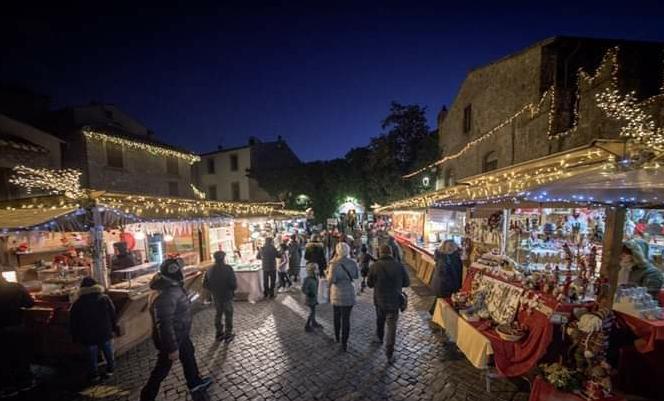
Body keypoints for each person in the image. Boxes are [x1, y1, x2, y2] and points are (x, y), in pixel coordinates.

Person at [140, 258, 212, 401]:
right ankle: (146, 396)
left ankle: (195, 383)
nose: (182, 272)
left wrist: (188, 302)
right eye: (180, 269)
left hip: (181, 333)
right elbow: (164, 323)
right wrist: (172, 348)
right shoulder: (167, 292)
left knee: (189, 356)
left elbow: (176, 309)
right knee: (162, 369)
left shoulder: (171, 286)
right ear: (175, 272)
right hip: (173, 338)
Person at [69, 277, 119, 382]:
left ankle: (94, 374)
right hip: (104, 330)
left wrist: (75, 336)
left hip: (88, 333)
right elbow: (112, 314)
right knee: (107, 350)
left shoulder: (77, 303)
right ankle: (111, 368)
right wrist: (114, 327)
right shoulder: (104, 298)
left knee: (92, 354)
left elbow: (74, 321)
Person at [367, 245, 410, 362]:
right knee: (392, 327)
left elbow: (369, 284)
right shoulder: (399, 266)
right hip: (394, 300)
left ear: (380, 253)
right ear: (391, 253)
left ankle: (380, 337)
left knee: (380, 320)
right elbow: (407, 283)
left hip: (379, 300)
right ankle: (389, 352)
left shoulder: (375, 266)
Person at [0, 274, 35, 396]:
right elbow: (30, 303)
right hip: (15, 326)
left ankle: (8, 386)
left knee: (4, 359)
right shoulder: (16, 287)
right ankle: (25, 382)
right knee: (20, 355)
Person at [326, 242, 359, 352]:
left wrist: (327, 275)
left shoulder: (333, 264)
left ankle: (337, 337)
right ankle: (344, 342)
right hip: (349, 293)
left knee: (336, 316)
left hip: (337, 293)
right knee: (346, 319)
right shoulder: (353, 263)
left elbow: (331, 280)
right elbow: (355, 276)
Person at [203, 251, 237, 342]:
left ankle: (219, 333)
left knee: (218, 314)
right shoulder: (228, 269)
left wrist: (213, 290)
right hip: (227, 295)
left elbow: (205, 284)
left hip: (216, 296)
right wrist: (232, 290)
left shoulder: (209, 270)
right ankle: (228, 333)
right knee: (228, 314)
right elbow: (233, 283)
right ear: (223, 258)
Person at [302, 263, 322, 332]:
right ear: (312, 270)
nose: (318, 270)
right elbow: (304, 289)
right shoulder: (307, 279)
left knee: (313, 311)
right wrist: (309, 293)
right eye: (316, 269)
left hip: (314, 298)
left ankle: (314, 322)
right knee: (312, 312)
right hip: (310, 298)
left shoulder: (315, 278)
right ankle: (307, 325)